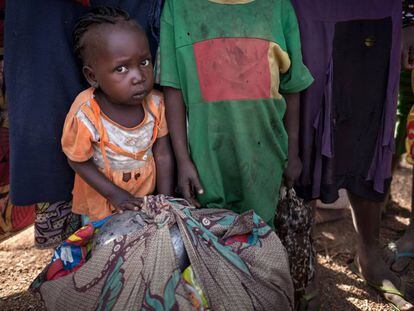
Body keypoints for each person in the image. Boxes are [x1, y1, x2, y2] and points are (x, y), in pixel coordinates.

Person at [291, 0, 414, 309]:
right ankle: (304, 264)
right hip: (307, 9)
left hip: (377, 9)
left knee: (370, 129)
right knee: (307, 123)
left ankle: (369, 254)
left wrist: (411, 19)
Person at [159, 0, 313, 227]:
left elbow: (292, 87)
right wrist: (183, 160)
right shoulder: (178, 7)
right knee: (212, 240)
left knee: (260, 237)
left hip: (265, 158)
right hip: (206, 162)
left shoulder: (278, 7)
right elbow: (173, 88)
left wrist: (292, 153)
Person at [60, 7, 173, 222]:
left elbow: (163, 153)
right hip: (102, 205)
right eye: (121, 69)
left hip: (144, 199)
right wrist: (116, 195)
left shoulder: (156, 104)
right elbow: (77, 160)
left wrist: (163, 199)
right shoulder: (86, 114)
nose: (138, 76)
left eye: (144, 62)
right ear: (92, 76)